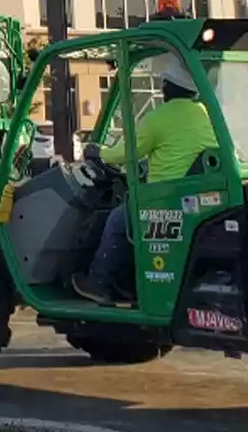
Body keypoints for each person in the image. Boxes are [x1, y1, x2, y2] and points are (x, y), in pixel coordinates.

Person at [72, 67, 215, 305]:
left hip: (164, 199)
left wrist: (98, 152)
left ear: (167, 88)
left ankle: (98, 282)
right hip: (191, 195)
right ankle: (131, 285)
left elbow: (125, 153)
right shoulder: (205, 113)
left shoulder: (160, 117)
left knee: (118, 220)